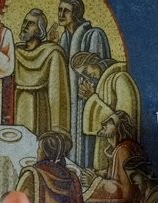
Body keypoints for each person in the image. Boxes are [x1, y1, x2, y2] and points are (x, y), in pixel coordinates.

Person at [48, 0, 111, 165]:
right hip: (69, 104)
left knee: (85, 147)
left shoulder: (93, 35)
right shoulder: (64, 39)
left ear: (75, 13)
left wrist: (91, 92)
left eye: (66, 11)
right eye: (59, 10)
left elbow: (101, 73)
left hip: (86, 101)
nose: (61, 14)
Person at [71, 52, 140, 170]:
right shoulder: (102, 84)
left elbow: (124, 119)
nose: (88, 77)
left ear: (94, 61)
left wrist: (92, 98)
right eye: (83, 76)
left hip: (122, 150)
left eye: (86, 72)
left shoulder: (120, 78)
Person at [15, 8, 71, 142]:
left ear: (40, 30)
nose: (24, 26)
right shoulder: (16, 51)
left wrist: (57, 131)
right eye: (25, 22)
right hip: (16, 112)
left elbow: (58, 95)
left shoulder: (52, 53)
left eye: (31, 23)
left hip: (41, 114)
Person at [81, 110, 144, 203]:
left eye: (110, 122)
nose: (104, 124)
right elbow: (115, 173)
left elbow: (124, 191)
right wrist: (98, 173)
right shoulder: (118, 149)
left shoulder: (123, 150)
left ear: (119, 128)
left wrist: (94, 181)